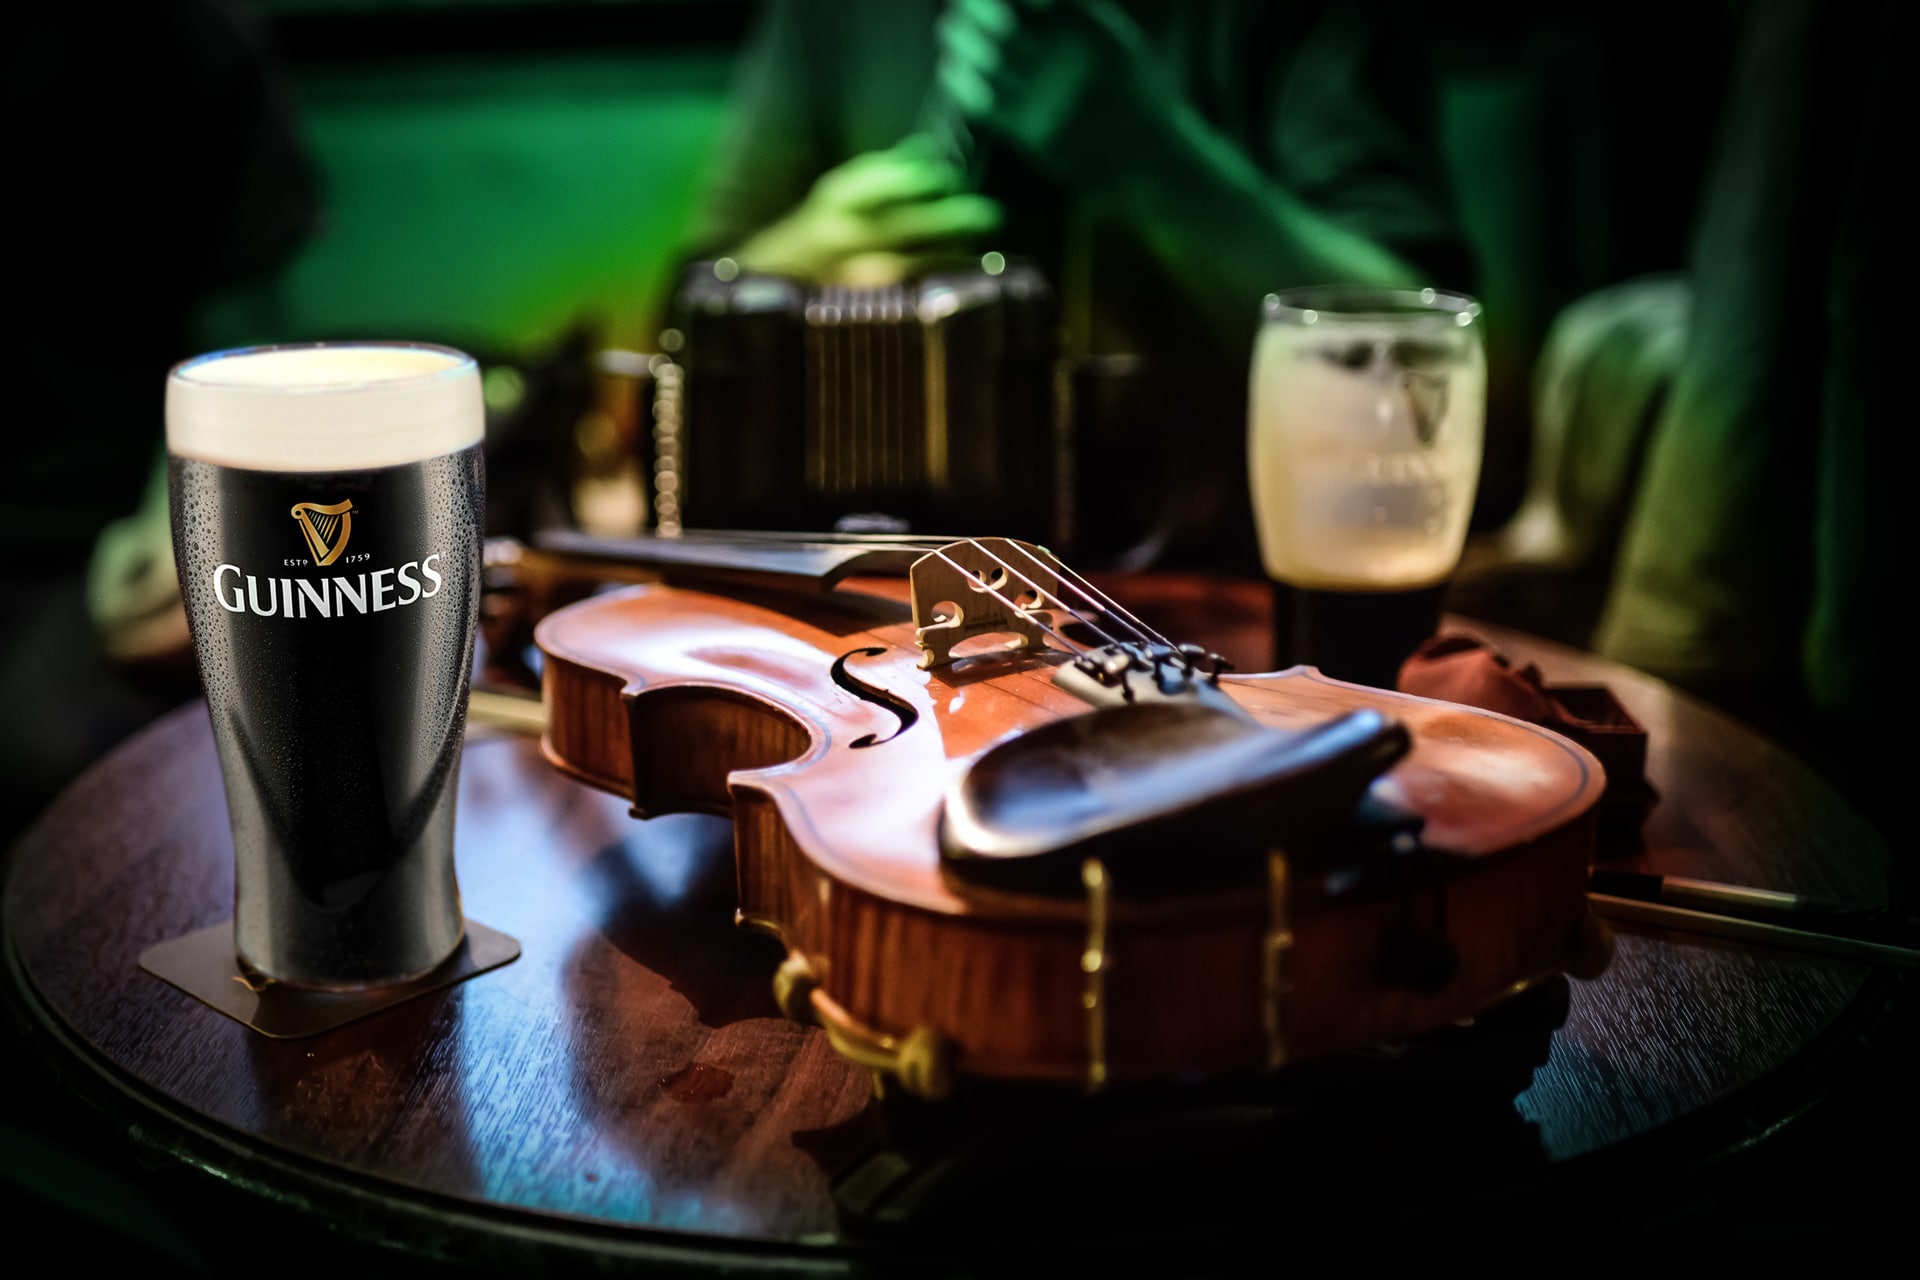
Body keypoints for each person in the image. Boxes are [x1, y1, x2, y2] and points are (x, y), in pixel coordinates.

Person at [685, 0, 1469, 565]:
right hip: (880, 593)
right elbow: (685, 319)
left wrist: (1153, 155)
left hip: (1217, 592)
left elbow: (1415, 369)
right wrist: (804, 266)